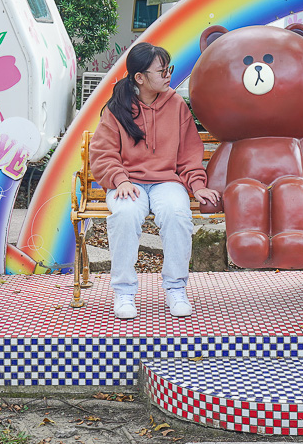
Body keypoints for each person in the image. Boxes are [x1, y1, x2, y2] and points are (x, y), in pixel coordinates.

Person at [90, 42, 220, 319]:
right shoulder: (117, 108)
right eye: (162, 70)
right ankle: (124, 293)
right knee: (124, 215)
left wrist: (197, 185)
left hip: (166, 181)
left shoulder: (176, 104)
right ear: (140, 77)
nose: (168, 75)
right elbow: (103, 154)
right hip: (128, 183)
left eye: (168, 69)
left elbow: (188, 154)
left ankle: (176, 289)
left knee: (176, 214)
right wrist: (119, 179)